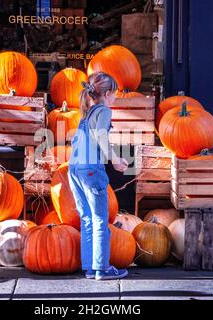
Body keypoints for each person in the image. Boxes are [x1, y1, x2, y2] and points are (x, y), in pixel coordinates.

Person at [67, 72, 129, 281]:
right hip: (91, 169)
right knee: (100, 220)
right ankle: (102, 268)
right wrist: (115, 159)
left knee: (87, 219)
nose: (115, 99)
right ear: (108, 93)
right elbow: (101, 135)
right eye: (115, 95)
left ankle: (90, 267)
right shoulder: (103, 111)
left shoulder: (87, 113)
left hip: (74, 169)